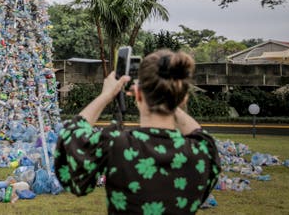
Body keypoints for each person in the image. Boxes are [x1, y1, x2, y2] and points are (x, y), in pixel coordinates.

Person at [55, 49, 221, 214]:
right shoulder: (201, 153)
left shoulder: (117, 145)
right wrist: (171, 99)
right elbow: (200, 135)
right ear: (183, 98)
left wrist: (106, 95)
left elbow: (71, 136)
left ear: (138, 95)